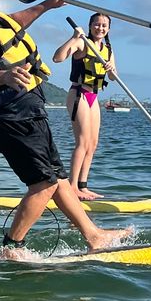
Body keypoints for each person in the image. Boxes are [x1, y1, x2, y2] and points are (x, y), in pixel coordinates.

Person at [0, 0, 130, 258]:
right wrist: (4, 75)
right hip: (9, 119)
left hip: (31, 114)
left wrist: (48, 4)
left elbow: (19, 20)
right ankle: (12, 248)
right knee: (43, 184)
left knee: (58, 178)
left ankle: (94, 237)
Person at [53, 12, 115, 200]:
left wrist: (111, 69)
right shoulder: (82, 43)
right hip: (78, 93)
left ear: (108, 29)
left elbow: (112, 77)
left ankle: (83, 185)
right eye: (97, 24)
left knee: (92, 144)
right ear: (90, 26)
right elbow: (57, 57)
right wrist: (73, 38)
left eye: (104, 25)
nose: (100, 28)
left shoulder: (108, 50)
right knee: (82, 142)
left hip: (93, 97)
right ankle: (72, 187)